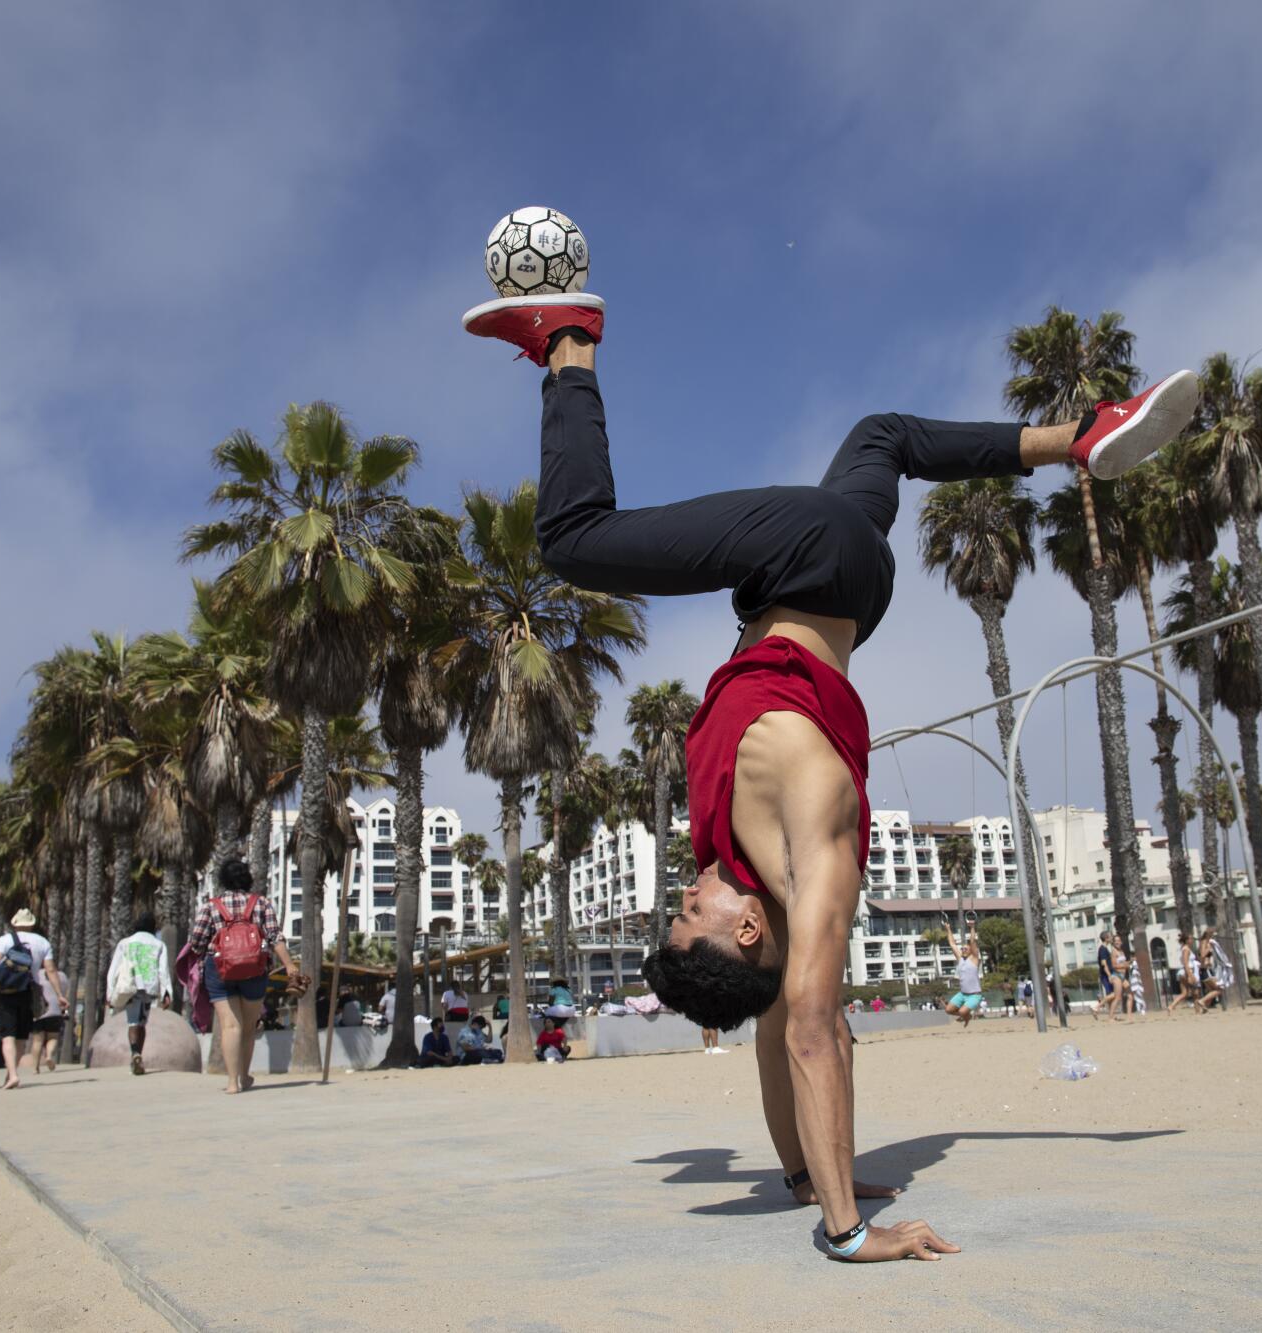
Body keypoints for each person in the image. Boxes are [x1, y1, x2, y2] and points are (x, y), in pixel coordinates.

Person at [466, 285, 1194, 1262]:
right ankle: (568, 341)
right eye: (692, 911)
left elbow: (792, 1037)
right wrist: (850, 1233)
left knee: (881, 434)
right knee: (572, 541)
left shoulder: (767, 891)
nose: (684, 891)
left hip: (829, 586)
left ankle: (1081, 436)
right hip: (807, 559)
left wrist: (815, 1176)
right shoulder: (814, 837)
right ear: (747, 928)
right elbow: (814, 1030)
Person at [189, 858, 301, 1095]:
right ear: (247, 879)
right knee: (249, 1026)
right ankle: (244, 1075)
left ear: (223, 881)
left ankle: (231, 1083)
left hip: (219, 969)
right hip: (254, 969)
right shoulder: (260, 904)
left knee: (230, 1026)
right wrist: (289, 965)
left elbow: (197, 942)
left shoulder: (212, 906)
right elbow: (275, 937)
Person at [0, 908, 69, 1090]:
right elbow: (50, 970)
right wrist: (59, 995)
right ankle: (11, 1074)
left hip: (7, 992)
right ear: (32, 924)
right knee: (20, 1037)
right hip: (28, 992)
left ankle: (13, 1075)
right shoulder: (42, 942)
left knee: (7, 1036)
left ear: (15, 923)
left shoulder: (5, 940)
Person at [107, 913, 173, 1076]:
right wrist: (166, 992)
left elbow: (113, 969)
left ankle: (135, 1053)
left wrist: (110, 992)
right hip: (149, 988)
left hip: (130, 986)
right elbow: (163, 970)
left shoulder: (125, 943)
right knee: (142, 1022)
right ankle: (137, 1055)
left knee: (133, 1022)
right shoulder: (159, 945)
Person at [32, 960, 69, 1073]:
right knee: (53, 1037)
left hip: (39, 1011)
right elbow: (64, 991)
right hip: (55, 1011)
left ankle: (35, 1068)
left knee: (37, 1040)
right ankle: (48, 1055)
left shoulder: (36, 974)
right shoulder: (62, 976)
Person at [945, 923, 984, 1029]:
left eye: (965, 949)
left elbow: (972, 941)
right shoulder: (960, 959)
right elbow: (952, 944)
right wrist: (948, 928)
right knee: (948, 1010)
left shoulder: (975, 959)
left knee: (962, 1011)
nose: (963, 950)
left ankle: (965, 1015)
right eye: (962, 949)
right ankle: (967, 1016)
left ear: (971, 950)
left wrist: (972, 928)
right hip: (962, 994)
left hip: (974, 995)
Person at [1168, 932, 1200, 1016]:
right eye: (1190, 939)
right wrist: (1190, 975)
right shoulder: (1186, 949)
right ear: (1187, 940)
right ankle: (1197, 1011)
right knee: (1195, 992)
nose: (1192, 940)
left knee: (1184, 993)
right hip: (1187, 971)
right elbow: (1186, 963)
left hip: (1184, 972)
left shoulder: (1184, 948)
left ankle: (1171, 1006)